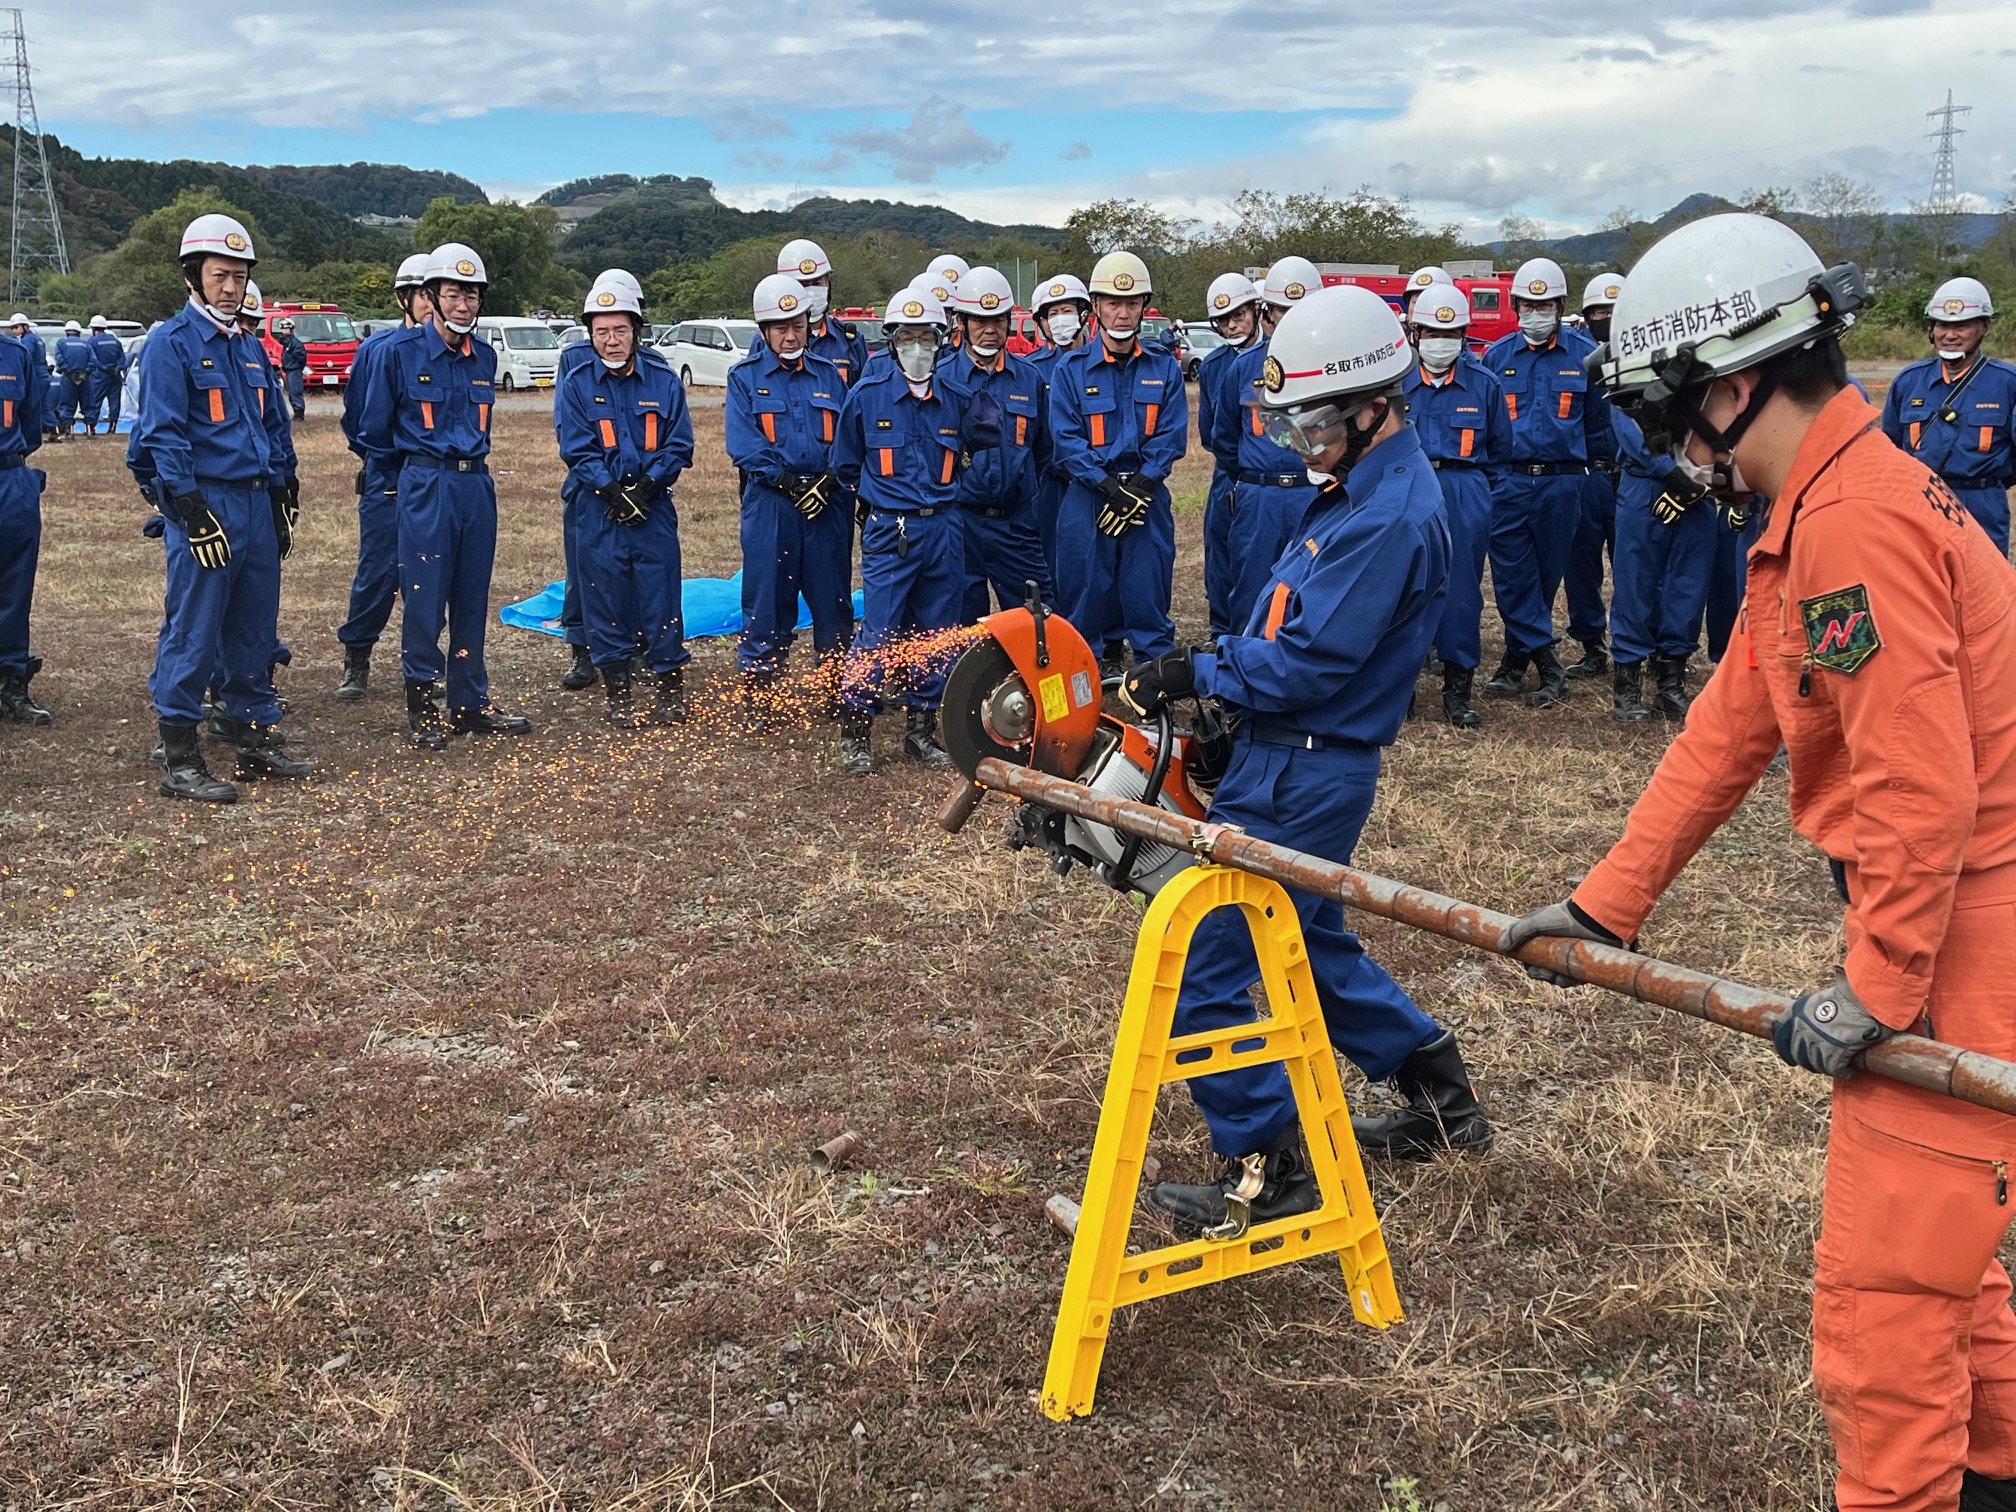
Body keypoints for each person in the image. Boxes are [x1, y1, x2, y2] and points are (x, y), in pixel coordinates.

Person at [1505, 212, 2016, 1512]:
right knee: (1958, 1259)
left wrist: (1885, 984)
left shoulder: (1855, 524)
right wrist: (1602, 906)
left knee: (1885, 1298)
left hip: (1969, 924)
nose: (1679, 455)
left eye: (1678, 421)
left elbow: (1921, 788)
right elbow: (1726, 731)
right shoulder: (1818, 510)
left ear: (1733, 389)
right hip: (1949, 911)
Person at [1117, 285, 1491, 1236]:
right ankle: (1438, 1092)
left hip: (1304, 767)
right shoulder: (1356, 492)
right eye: (1292, 427)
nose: (1304, 445)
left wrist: (1194, 668)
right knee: (1307, 941)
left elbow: (1305, 662)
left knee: (1203, 959)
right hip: (1292, 756)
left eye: (1318, 426)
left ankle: (1268, 1165)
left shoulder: (1388, 517)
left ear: (1377, 406)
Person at [128, 213, 310, 802]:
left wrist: (285, 491)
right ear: (193, 276)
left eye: (239, 276)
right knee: (195, 628)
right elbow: (163, 434)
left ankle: (255, 736)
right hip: (207, 502)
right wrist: (189, 508)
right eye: (219, 275)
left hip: (256, 505)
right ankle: (180, 756)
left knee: (254, 626)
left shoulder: (249, 348)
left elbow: (271, 424)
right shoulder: (171, 344)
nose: (231, 288)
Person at [356, 242, 532, 751]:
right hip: (425, 483)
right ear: (430, 297)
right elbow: (374, 431)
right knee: (425, 596)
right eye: (454, 294)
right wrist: (405, 484)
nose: (464, 304)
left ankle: (469, 701)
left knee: (472, 594)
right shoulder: (399, 355)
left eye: (473, 295)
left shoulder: (486, 356)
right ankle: (423, 703)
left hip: (475, 484)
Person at [832, 288, 995, 775]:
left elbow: (979, 450)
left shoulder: (960, 400)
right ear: (890, 341)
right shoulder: (866, 397)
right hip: (891, 531)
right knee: (879, 631)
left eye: (927, 337)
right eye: (908, 338)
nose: (918, 348)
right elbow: (844, 465)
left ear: (944, 340)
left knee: (938, 632)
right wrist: (877, 508)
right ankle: (855, 732)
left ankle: (920, 733)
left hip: (944, 529)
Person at [555, 273, 695, 726]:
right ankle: (618, 690)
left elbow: (679, 443)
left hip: (653, 508)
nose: (611, 341)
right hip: (599, 509)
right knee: (604, 594)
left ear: (636, 330)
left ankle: (669, 685)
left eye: (619, 330)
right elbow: (576, 446)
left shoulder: (662, 379)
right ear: (589, 334)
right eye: (601, 332)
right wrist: (611, 491)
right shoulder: (576, 382)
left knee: (660, 593)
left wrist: (649, 487)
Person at [1046, 250, 1189, 677]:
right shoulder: (1071, 370)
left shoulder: (1165, 368)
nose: (1122, 313)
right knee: (1084, 594)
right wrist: (1109, 490)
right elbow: (1066, 439)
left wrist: (1140, 488)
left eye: (1131, 303)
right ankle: (1080, 690)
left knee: (1148, 594)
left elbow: (1171, 434)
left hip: (1146, 499)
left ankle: (1154, 689)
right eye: (1112, 302)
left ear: (1144, 306)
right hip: (1089, 500)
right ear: (1096, 307)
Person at [1480, 256, 1614, 706]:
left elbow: (1596, 424)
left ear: (1560, 306)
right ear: (1516, 306)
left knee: (1544, 578)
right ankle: (1550, 665)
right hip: (1511, 483)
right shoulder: (1497, 357)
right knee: (1510, 576)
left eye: (1546, 305)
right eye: (1528, 305)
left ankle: (1517, 660)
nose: (1537, 313)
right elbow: (1488, 427)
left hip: (1564, 484)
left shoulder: (1585, 356)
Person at [726, 272, 852, 713]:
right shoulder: (743, 378)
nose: (790, 334)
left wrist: (829, 481)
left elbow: (846, 439)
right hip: (772, 506)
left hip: (826, 507)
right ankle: (763, 693)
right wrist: (788, 482)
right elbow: (743, 444)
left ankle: (838, 687)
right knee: (766, 597)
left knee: (832, 596)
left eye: (797, 324)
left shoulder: (829, 377)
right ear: (764, 330)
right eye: (780, 327)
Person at [1404, 286, 1510, 728]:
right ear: (1415, 333)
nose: (1440, 340)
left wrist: (1476, 497)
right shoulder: (1397, 385)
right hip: (1407, 488)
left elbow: (1501, 454)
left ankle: (1457, 687)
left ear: (1465, 334)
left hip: (1465, 487)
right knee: (1401, 586)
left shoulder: (1484, 385)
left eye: (1451, 332)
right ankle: (1399, 685)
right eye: (1432, 331)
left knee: (1462, 590)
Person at [335, 252, 433, 701]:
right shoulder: (377, 350)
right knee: (377, 573)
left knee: (430, 575)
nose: (431, 304)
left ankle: (425, 664)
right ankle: (357, 657)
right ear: (404, 299)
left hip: (433, 485)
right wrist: (381, 465)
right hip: (387, 481)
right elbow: (357, 420)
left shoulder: (457, 353)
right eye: (422, 295)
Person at [1212, 256, 1323, 641]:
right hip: (1260, 498)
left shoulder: (1334, 366)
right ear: (1267, 313)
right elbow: (1223, 437)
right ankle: (1244, 682)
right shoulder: (1243, 369)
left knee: (1317, 590)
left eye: (1302, 311)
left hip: (1317, 495)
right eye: (1282, 310)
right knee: (1251, 590)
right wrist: (1253, 476)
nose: (1291, 320)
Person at [938, 265, 1049, 621]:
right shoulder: (941, 381)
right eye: (980, 321)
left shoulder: (1030, 379)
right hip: (960, 523)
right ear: (962, 322)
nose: (990, 330)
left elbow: (1043, 453)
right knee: (963, 625)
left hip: (1016, 524)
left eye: (998, 321)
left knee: (1037, 621)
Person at [555, 267, 646, 693]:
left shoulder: (654, 365)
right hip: (589, 486)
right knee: (583, 573)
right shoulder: (575, 361)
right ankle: (582, 649)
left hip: (641, 488)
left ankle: (637, 644)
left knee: (637, 571)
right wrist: (603, 484)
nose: (613, 337)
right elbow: (567, 426)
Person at [1881, 276, 2016, 557]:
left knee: (1984, 591)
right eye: (1943, 325)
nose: (1950, 335)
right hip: (1919, 502)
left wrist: (1986, 482)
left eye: (1961, 326)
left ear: (1984, 327)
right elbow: (1888, 448)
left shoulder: (2007, 382)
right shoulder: (1909, 381)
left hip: (1982, 505)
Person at [1605, 405, 1715, 721]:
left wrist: (1694, 485)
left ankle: (1670, 685)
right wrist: (1671, 473)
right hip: (1645, 485)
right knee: (1634, 584)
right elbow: (1628, 426)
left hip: (1699, 488)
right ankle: (1627, 687)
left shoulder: (1710, 367)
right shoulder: (1633, 364)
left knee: (1688, 587)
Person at [1196, 271, 1265, 640]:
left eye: (1239, 315)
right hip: (1229, 472)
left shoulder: (1278, 355)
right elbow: (1212, 431)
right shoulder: (1212, 366)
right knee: (1220, 552)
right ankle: (1220, 628)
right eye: (1223, 320)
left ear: (1255, 311)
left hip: (1265, 475)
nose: (1232, 325)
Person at [0, 315, 50, 724]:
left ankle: (12, 680)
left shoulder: (14, 353)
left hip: (10, 479)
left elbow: (31, 422)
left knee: (15, 584)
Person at [774, 238, 868, 385]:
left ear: (828, 286)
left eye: (817, 284)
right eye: (803, 285)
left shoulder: (850, 340)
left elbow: (862, 399)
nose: (811, 291)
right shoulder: (767, 341)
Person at [10, 313, 54, 443]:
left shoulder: (27, 340)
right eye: (12, 328)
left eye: (16, 327)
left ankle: (27, 434)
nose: (13, 330)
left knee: (30, 406)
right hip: (43, 375)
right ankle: (53, 430)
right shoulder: (37, 339)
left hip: (35, 377)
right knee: (44, 405)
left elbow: (25, 358)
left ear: (24, 326)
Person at [85, 315, 127, 435]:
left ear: (93, 329)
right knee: (114, 401)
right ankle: (113, 426)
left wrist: (104, 368)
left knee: (96, 401)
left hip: (100, 376)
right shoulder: (115, 340)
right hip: (116, 375)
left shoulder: (92, 341)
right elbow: (122, 358)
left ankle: (92, 427)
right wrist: (117, 368)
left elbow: (93, 359)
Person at [53, 320, 90, 441]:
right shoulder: (86, 344)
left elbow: (59, 359)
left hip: (68, 378)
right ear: (79, 332)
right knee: (88, 404)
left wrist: (69, 372)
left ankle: (70, 431)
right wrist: (85, 373)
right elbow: (93, 360)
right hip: (85, 379)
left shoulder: (61, 343)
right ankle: (90, 430)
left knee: (67, 404)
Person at [275, 317, 308, 421]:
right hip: (289, 370)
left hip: (294, 370)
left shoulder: (295, 343)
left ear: (291, 329)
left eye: (286, 328)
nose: (284, 330)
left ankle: (299, 413)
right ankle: (296, 411)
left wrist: (297, 368)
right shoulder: (287, 343)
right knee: (291, 392)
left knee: (295, 391)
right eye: (283, 328)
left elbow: (301, 358)